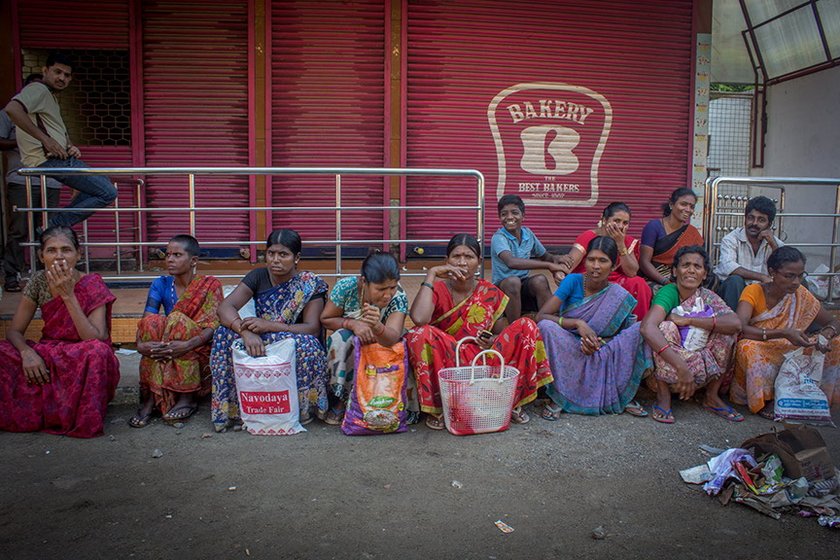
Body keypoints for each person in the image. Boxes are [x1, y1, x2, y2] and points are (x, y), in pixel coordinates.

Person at [405, 234, 553, 429]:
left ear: (478, 262)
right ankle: (442, 407)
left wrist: (492, 339)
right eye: (456, 256)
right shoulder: (438, 289)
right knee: (418, 333)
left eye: (469, 257)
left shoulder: (488, 291)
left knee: (526, 326)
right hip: (449, 360)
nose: (462, 262)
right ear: (446, 261)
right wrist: (431, 274)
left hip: (482, 359)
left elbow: (501, 329)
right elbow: (419, 319)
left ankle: (512, 401)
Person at [0, 226, 119, 437]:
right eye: (51, 250)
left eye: (66, 249)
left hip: (82, 353)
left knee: (97, 352)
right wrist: (27, 353)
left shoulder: (92, 284)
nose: (59, 256)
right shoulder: (38, 281)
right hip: (49, 352)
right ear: (41, 255)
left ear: (78, 254)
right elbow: (15, 331)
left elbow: (96, 338)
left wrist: (68, 295)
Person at [210, 229, 329, 432]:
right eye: (271, 253)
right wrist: (245, 332)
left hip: (290, 339)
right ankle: (234, 409)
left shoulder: (310, 284)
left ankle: (301, 409)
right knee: (223, 334)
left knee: (308, 345)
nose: (275, 260)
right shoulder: (258, 275)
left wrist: (269, 325)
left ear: (297, 257)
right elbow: (225, 308)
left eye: (283, 254)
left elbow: (312, 328)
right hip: (258, 337)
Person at [536, 236, 651, 418]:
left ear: (614, 266)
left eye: (603, 261)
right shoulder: (573, 281)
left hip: (602, 348)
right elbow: (541, 316)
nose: (595, 266)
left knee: (639, 330)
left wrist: (598, 343)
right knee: (546, 327)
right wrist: (577, 323)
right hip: (569, 345)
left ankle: (623, 395)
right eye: (591, 259)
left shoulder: (618, 294)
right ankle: (559, 397)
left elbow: (622, 334)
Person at [3, 52, 117, 230]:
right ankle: (53, 226)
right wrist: (46, 140)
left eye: (67, 75)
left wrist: (69, 146)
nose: (62, 78)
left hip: (60, 158)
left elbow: (52, 129)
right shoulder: (37, 89)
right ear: (45, 70)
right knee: (108, 192)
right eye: (57, 72)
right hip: (49, 160)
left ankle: (54, 226)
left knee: (102, 184)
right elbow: (13, 109)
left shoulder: (50, 96)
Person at [731, 246, 840, 418]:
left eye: (800, 276)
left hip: (795, 347)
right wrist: (783, 333)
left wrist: (826, 334)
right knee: (747, 348)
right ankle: (767, 397)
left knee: (836, 343)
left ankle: (818, 396)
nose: (796, 282)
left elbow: (833, 321)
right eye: (789, 276)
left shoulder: (801, 294)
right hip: (766, 345)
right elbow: (740, 328)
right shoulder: (754, 291)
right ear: (772, 272)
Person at [640, 246, 742, 424]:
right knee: (665, 327)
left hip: (700, 371)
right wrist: (682, 367)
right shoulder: (669, 292)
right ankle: (663, 397)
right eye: (685, 265)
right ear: (675, 270)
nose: (691, 270)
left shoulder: (707, 296)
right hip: (673, 372)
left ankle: (711, 396)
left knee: (727, 334)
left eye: (697, 266)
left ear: (704, 274)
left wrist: (690, 321)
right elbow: (647, 328)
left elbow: (735, 323)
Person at [129, 235, 222, 428]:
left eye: (177, 255)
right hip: (168, 346)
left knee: (177, 320)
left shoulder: (210, 285)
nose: (170, 259)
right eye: (168, 254)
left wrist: (188, 343)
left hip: (197, 348)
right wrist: (141, 344)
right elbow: (147, 319)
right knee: (152, 323)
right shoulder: (160, 284)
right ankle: (151, 398)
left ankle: (188, 397)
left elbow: (213, 326)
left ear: (193, 260)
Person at [320, 251, 409, 425]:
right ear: (363, 282)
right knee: (340, 338)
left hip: (384, 346)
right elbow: (326, 319)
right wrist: (353, 324)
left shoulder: (399, 296)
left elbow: (392, 336)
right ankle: (340, 400)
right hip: (354, 347)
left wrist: (377, 327)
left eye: (392, 287)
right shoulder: (346, 288)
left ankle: (390, 402)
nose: (387, 294)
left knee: (405, 342)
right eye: (381, 289)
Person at [1, 74, 62, 292]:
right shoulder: (10, 115)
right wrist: (29, 139)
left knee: (49, 231)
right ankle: (12, 273)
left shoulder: (52, 116)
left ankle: (50, 275)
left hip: (52, 181)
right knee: (19, 229)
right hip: (22, 180)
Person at [563, 202, 653, 319]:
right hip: (590, 278)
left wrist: (620, 244)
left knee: (638, 283)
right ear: (604, 219)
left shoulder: (626, 241)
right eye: (616, 221)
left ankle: (637, 327)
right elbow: (571, 261)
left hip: (615, 282)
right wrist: (561, 271)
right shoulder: (589, 236)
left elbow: (631, 272)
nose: (620, 226)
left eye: (625, 223)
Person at [491, 194, 571, 322]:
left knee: (540, 280)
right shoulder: (499, 237)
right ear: (499, 217)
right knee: (513, 282)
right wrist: (549, 266)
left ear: (523, 215)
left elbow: (545, 256)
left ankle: (550, 321)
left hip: (522, 286)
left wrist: (557, 259)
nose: (510, 217)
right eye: (504, 214)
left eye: (515, 213)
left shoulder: (528, 234)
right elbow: (511, 262)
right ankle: (516, 328)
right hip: (504, 289)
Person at [714, 196, 783, 311]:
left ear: (769, 224)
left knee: (797, 281)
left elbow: (784, 269)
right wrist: (761, 277)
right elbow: (727, 266)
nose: (754, 223)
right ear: (745, 219)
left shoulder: (776, 243)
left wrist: (774, 246)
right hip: (736, 293)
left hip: (763, 293)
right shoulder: (731, 239)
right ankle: (732, 326)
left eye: (761, 220)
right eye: (751, 218)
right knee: (735, 281)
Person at [639, 188, 704, 288]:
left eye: (691, 206)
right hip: (656, 278)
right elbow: (644, 262)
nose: (688, 209)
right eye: (683, 204)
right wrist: (665, 281)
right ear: (671, 204)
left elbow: (700, 261)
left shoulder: (692, 232)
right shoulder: (654, 227)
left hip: (683, 277)